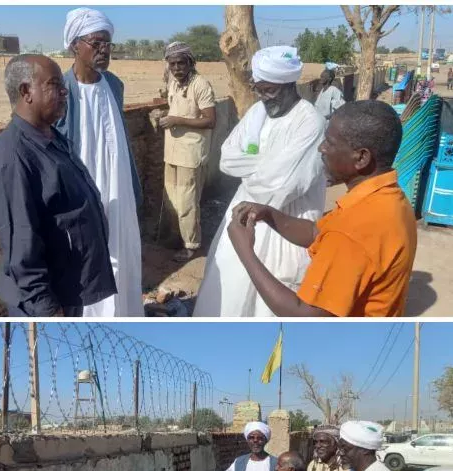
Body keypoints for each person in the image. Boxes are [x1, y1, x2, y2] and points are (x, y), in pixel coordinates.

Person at [228, 99, 417, 317]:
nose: (321, 148)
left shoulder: (352, 231)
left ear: (362, 158)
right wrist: (269, 214)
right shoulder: (389, 199)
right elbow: (316, 232)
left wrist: (245, 251)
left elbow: (303, 316)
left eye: (330, 142)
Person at [193, 46, 326, 317]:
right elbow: (227, 159)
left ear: (289, 85)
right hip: (245, 214)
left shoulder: (309, 122)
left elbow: (281, 186)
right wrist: (270, 162)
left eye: (270, 90)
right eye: (259, 89)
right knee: (230, 287)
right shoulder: (257, 113)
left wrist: (260, 169)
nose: (264, 97)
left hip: (287, 223)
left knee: (272, 300)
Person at [0, 54, 116, 317]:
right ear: (26, 91)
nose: (65, 91)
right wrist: (49, 311)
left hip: (68, 288)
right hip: (44, 304)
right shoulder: (11, 158)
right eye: (55, 84)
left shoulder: (53, 138)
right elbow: (21, 245)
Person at [57, 7, 143, 317]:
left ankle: (126, 311)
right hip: (82, 188)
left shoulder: (115, 85)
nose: (104, 50)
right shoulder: (61, 92)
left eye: (108, 43)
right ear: (74, 46)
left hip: (117, 181)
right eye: (96, 42)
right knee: (88, 252)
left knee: (122, 244)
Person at [159, 42, 217, 262]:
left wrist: (177, 120)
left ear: (190, 63)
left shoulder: (200, 85)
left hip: (190, 154)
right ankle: (178, 237)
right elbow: (176, 108)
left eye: (181, 63)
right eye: (172, 64)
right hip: (172, 151)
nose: (176, 68)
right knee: (172, 199)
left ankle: (191, 245)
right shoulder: (174, 82)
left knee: (187, 202)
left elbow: (210, 120)